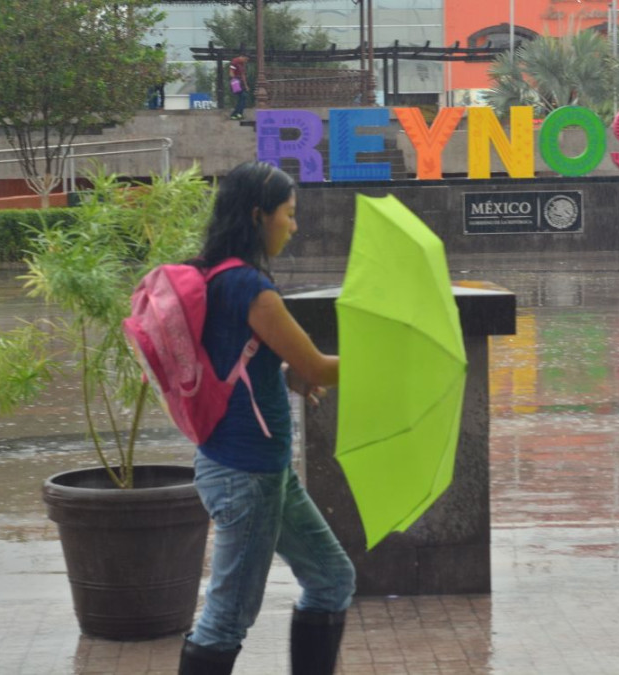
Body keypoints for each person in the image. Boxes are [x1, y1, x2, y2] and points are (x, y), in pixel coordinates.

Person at [178, 161, 356, 675]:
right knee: (226, 619)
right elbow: (320, 365)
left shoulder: (213, 274)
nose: (294, 226)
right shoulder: (251, 288)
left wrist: (282, 373)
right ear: (260, 216)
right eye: (289, 214)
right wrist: (394, 356)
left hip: (259, 470)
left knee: (331, 579)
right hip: (245, 475)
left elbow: (234, 357)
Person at [229, 54, 250, 120]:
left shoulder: (242, 64)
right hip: (236, 81)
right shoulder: (234, 61)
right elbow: (231, 72)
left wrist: (246, 85)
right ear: (242, 57)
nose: (246, 61)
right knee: (243, 96)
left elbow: (243, 75)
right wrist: (234, 80)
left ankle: (238, 114)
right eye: (245, 59)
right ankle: (236, 114)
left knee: (243, 97)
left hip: (241, 82)